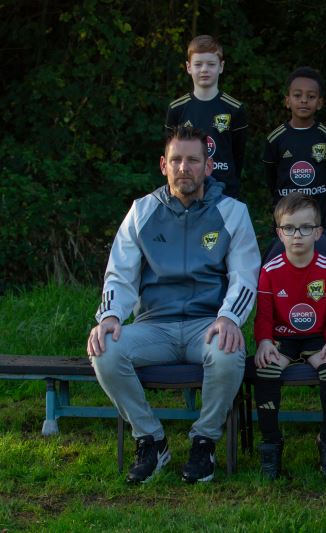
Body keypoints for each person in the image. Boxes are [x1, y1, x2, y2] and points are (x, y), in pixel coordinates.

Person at [87, 125, 261, 484]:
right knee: (104, 349)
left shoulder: (232, 212)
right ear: (163, 165)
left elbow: (245, 275)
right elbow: (119, 274)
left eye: (193, 160)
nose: (184, 167)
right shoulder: (142, 211)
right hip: (155, 326)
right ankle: (151, 440)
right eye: (176, 160)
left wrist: (230, 317)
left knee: (229, 351)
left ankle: (204, 441)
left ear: (208, 167)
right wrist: (110, 315)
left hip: (206, 324)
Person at [252, 193, 326, 479]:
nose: (297, 235)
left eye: (306, 228)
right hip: (282, 338)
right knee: (265, 371)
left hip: (318, 337)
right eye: (290, 228)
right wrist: (264, 342)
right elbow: (264, 315)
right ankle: (271, 443)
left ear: (318, 232)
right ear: (279, 233)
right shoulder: (269, 271)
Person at [165, 35, 248, 198]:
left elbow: (238, 155)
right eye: (198, 64)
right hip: (186, 192)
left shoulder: (234, 108)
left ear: (221, 67)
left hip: (225, 192)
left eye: (211, 64)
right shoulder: (177, 109)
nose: (204, 69)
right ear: (188, 67)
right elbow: (171, 155)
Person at [263, 67, 326, 232]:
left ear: (319, 103)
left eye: (311, 96)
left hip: (320, 222)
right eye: (297, 95)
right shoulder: (275, 139)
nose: (304, 100)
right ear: (287, 101)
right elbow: (271, 179)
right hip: (287, 220)